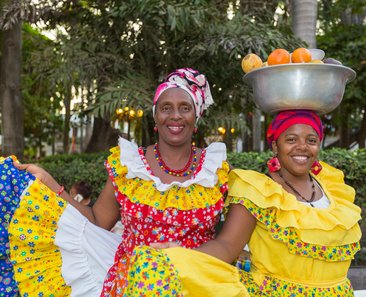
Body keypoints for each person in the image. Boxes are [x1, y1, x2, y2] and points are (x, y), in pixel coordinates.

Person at [1, 68, 248, 296]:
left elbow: (227, 244)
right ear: (155, 117)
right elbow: (98, 220)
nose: (175, 116)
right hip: (133, 282)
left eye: (185, 108)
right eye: (166, 108)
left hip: (196, 280)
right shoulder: (130, 166)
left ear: (197, 117)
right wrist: (51, 184)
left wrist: (182, 256)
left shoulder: (217, 172)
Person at [150, 110, 362, 296]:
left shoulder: (334, 187)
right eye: (291, 139)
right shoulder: (258, 191)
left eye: (311, 140)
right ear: (275, 145)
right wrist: (179, 255)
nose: (302, 147)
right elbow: (226, 246)